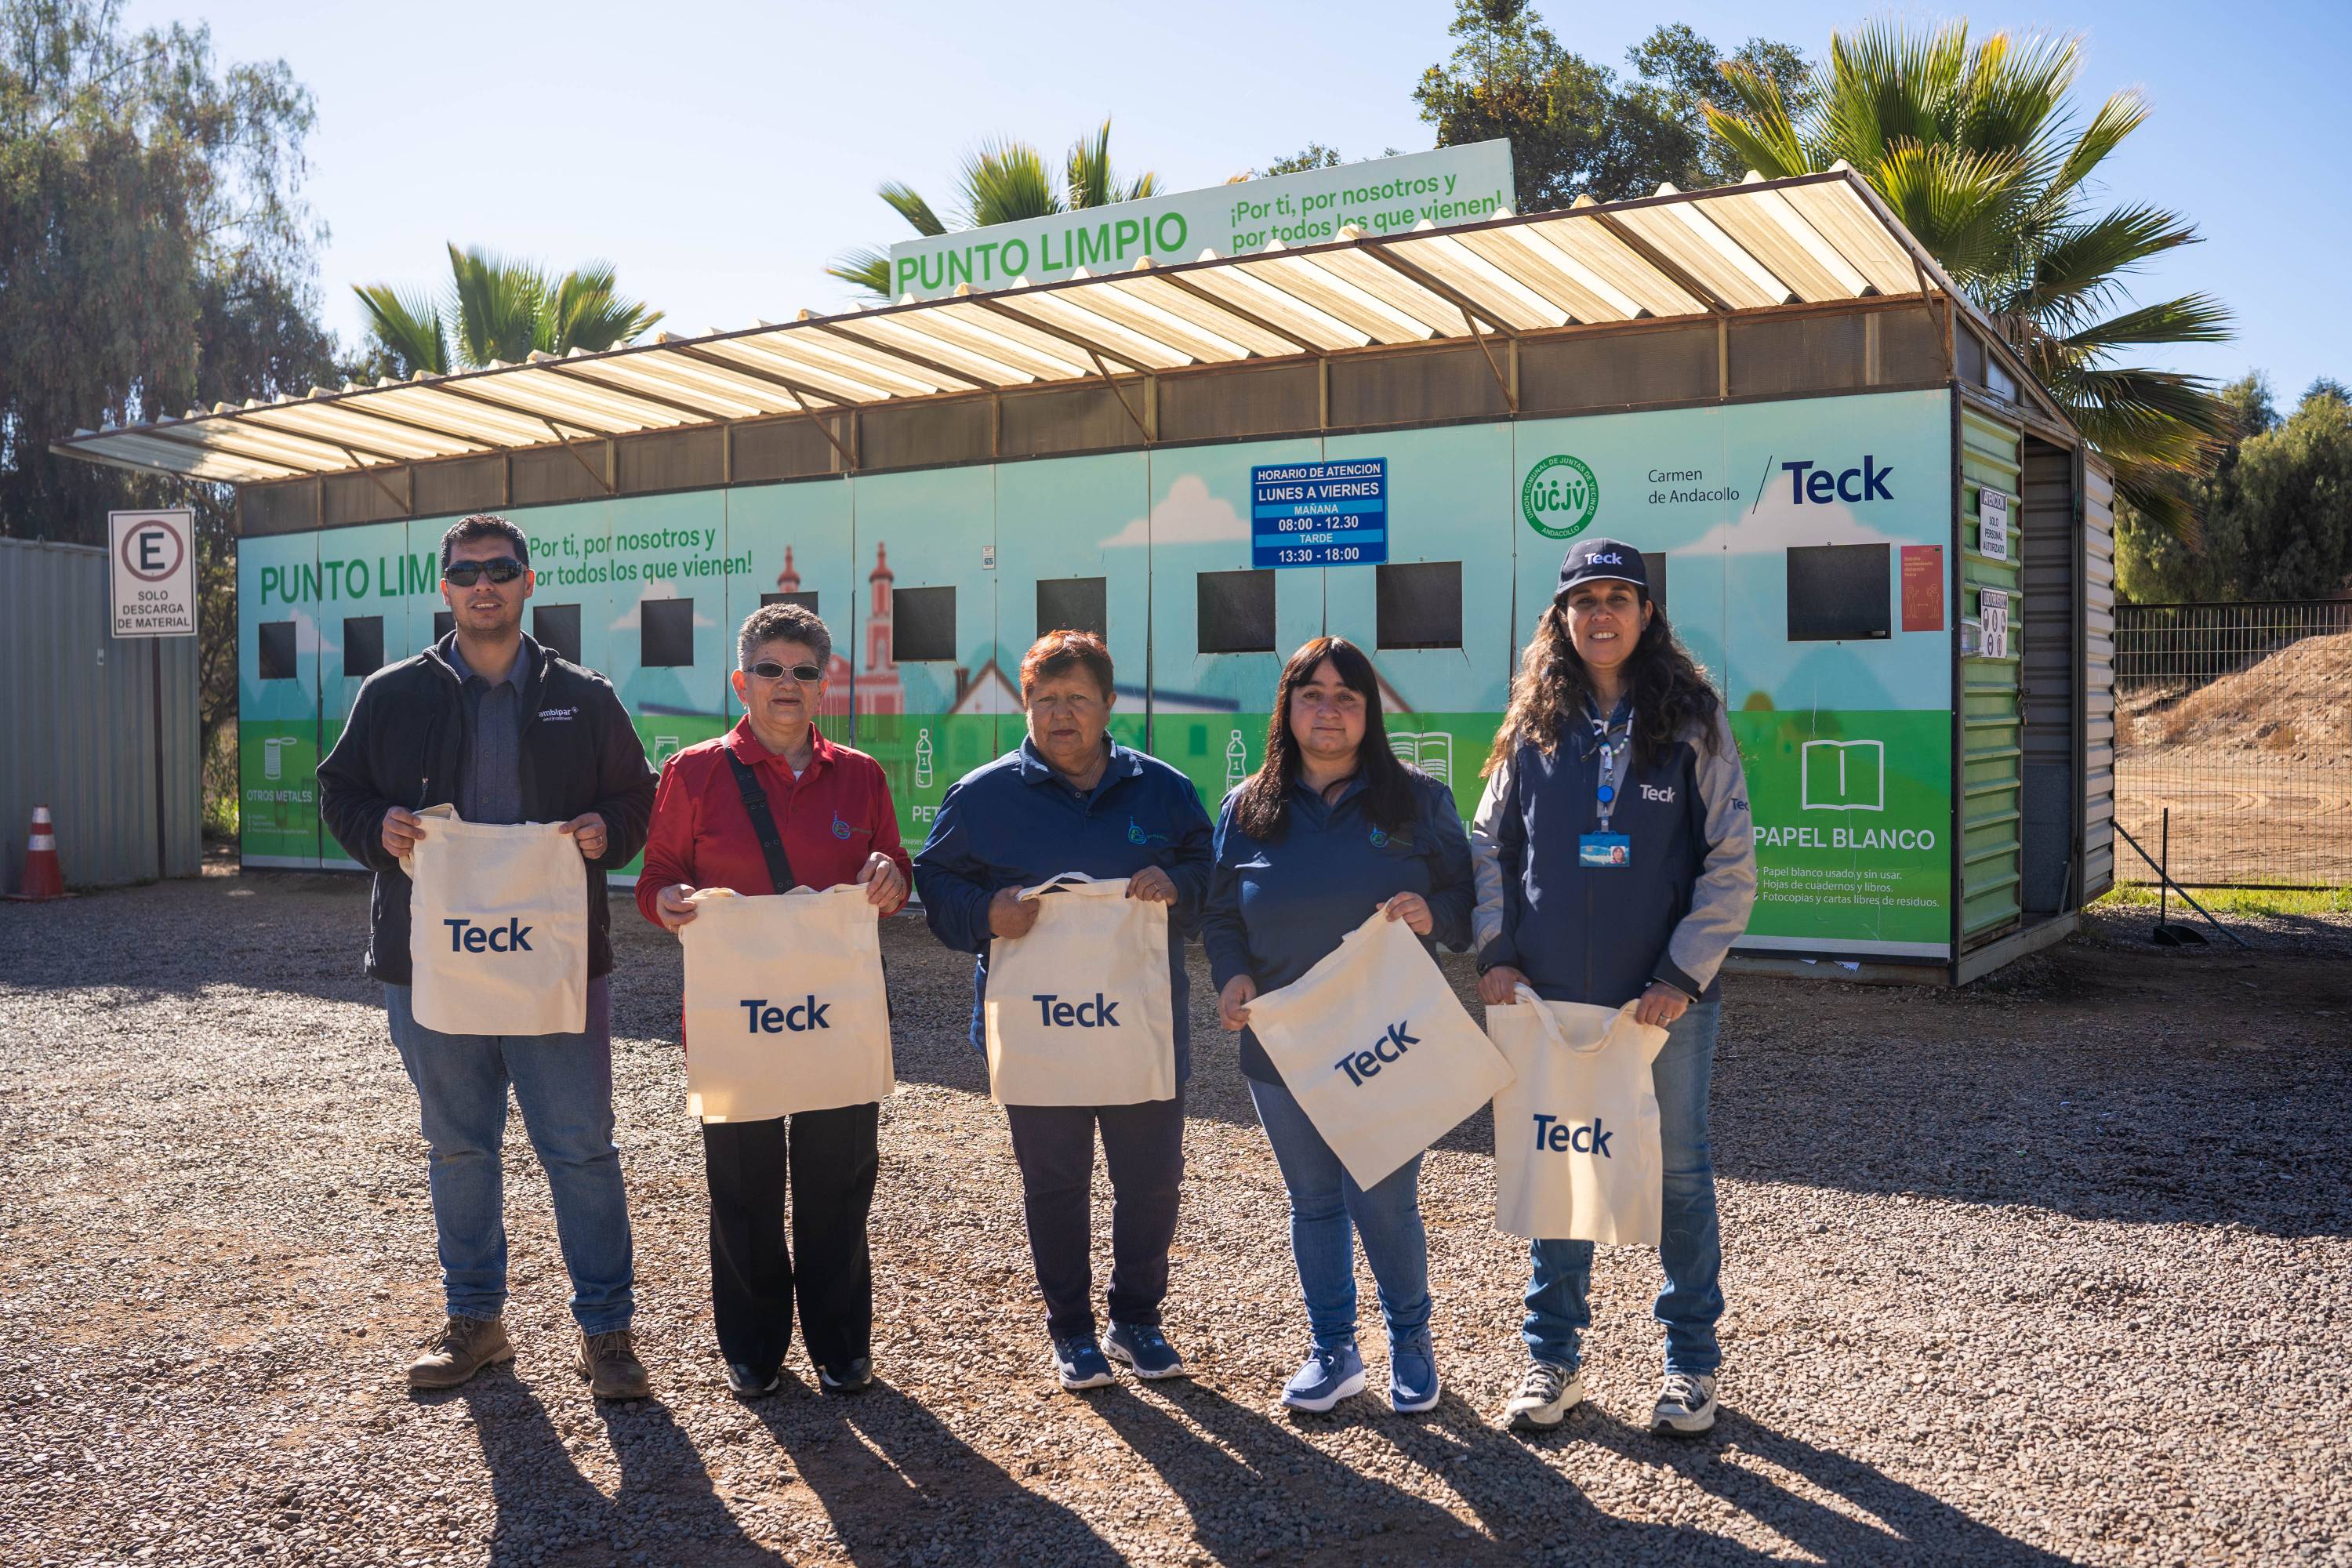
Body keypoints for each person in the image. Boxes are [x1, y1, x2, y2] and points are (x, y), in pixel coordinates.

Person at [318, 514, 658, 1399]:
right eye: (467, 572)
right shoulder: (393, 693)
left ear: (527, 582)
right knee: (459, 1147)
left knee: (580, 1147)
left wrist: (607, 829)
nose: (484, 585)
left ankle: (607, 1333)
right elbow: (339, 788)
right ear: (445, 588)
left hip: (554, 962)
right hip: (433, 963)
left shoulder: (584, 695)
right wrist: (378, 827)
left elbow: (637, 797)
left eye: (501, 569)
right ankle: (477, 1320)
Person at [1471, 538, 1756, 1437]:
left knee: (1680, 1172)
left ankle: (1690, 1365)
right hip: (1551, 997)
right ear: (1561, 617)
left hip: (1661, 1002)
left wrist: (1679, 973)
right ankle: (1551, 1357)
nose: (1601, 614)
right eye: (1583, 600)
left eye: (1618, 598)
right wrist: (1495, 950)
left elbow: (1732, 863)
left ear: (1646, 614)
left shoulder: (1694, 719)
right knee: (1561, 1166)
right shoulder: (1533, 722)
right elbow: (1489, 846)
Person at [913, 630, 1214, 1392]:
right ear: (1025, 706)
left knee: (1153, 1182)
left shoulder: (1164, 790)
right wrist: (986, 911)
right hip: (1037, 1027)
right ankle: (1072, 1329)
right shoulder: (982, 796)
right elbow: (936, 887)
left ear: (1110, 704)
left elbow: (1211, 872)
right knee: (1055, 1182)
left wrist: (1179, 885)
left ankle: (1136, 1319)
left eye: (1078, 697)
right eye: (1045, 699)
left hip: (1140, 1023)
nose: (1061, 714)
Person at [637, 603, 910, 1400]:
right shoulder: (693, 772)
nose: (786, 684)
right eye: (770, 669)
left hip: (837, 1015)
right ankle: (753, 1347)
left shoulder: (861, 775)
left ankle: (841, 1344)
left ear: (825, 685)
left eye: (803, 671)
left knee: (839, 1181)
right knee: (743, 1187)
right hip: (735, 1018)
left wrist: (892, 877)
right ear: (741, 681)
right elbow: (656, 877)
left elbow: (894, 867)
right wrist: (669, 902)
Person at [1201, 637, 1473, 1414]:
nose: (1328, 710)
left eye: (1346, 697)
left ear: (1368, 711)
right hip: (1283, 1043)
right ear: (1286, 707)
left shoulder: (1417, 800)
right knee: (1315, 1199)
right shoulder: (1247, 806)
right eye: (1312, 694)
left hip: (1386, 1037)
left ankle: (1411, 1342)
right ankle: (1333, 1350)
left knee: (1381, 1195)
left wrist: (1434, 913)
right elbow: (1220, 914)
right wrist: (1232, 974)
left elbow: (1468, 902)